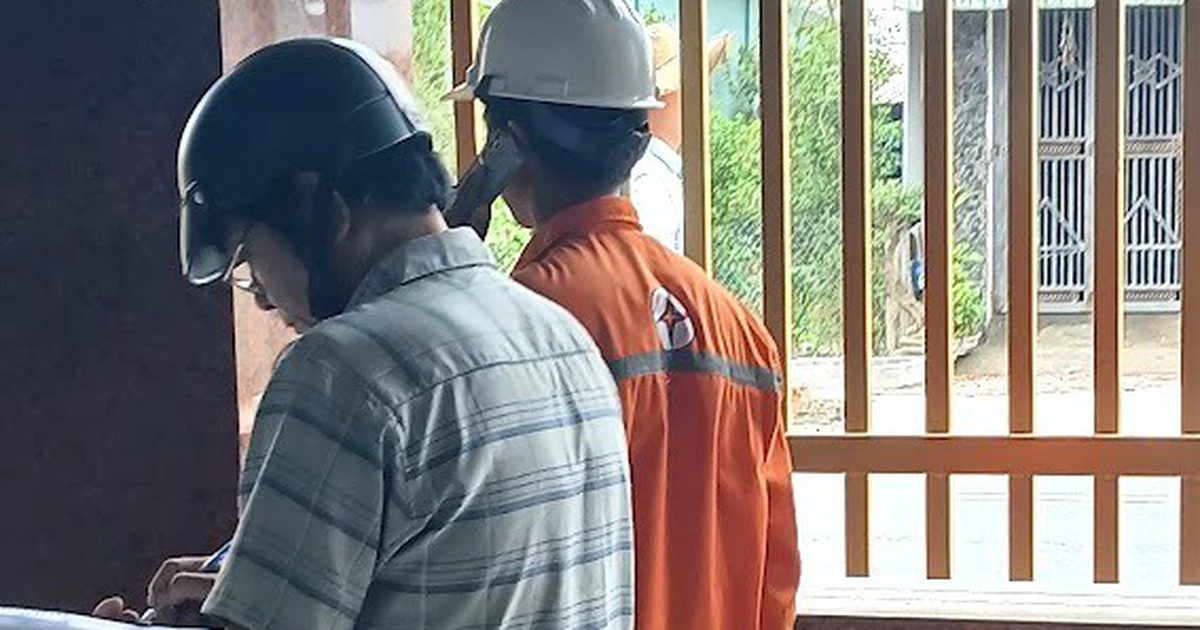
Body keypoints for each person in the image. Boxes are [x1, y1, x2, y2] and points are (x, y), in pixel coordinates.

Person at [94, 38, 634, 629]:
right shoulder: (561, 341)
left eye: (249, 258)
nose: (266, 298)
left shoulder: (343, 372)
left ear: (316, 206)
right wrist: (252, 589)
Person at [449, 1, 800, 628]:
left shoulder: (523, 324)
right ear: (636, 138)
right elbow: (777, 581)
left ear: (506, 146)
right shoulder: (740, 330)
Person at [628, 23, 731, 253]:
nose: (704, 96)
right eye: (691, 85)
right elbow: (652, 270)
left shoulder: (650, 170)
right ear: (663, 97)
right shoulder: (650, 180)